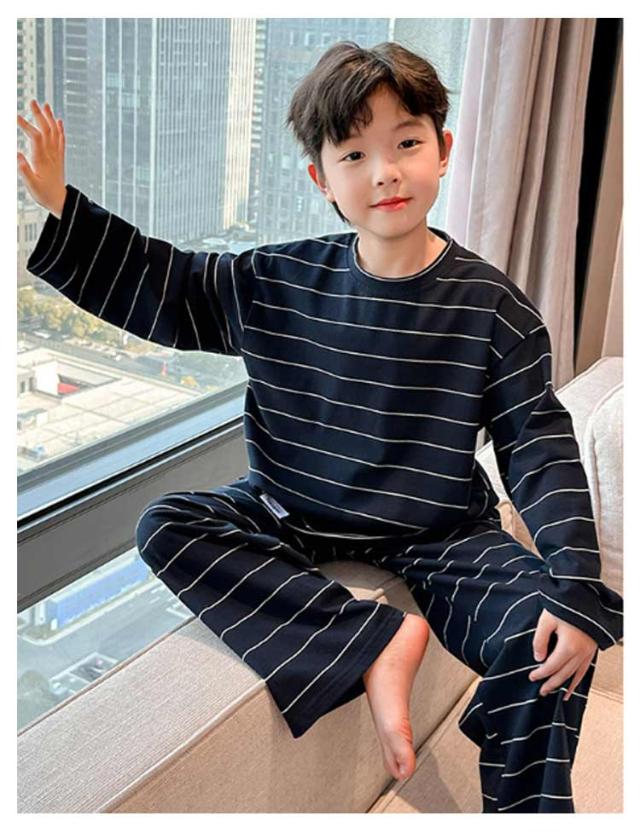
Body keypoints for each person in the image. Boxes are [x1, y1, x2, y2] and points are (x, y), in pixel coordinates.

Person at [17, 40, 623, 813]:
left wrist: (574, 581)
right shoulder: (278, 279)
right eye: (355, 154)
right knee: (166, 523)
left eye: (406, 143)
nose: (385, 172)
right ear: (322, 179)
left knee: (548, 636)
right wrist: (64, 208)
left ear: (444, 149)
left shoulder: (494, 308)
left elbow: (537, 445)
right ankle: (373, 640)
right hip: (292, 511)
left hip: (441, 531)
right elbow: (172, 286)